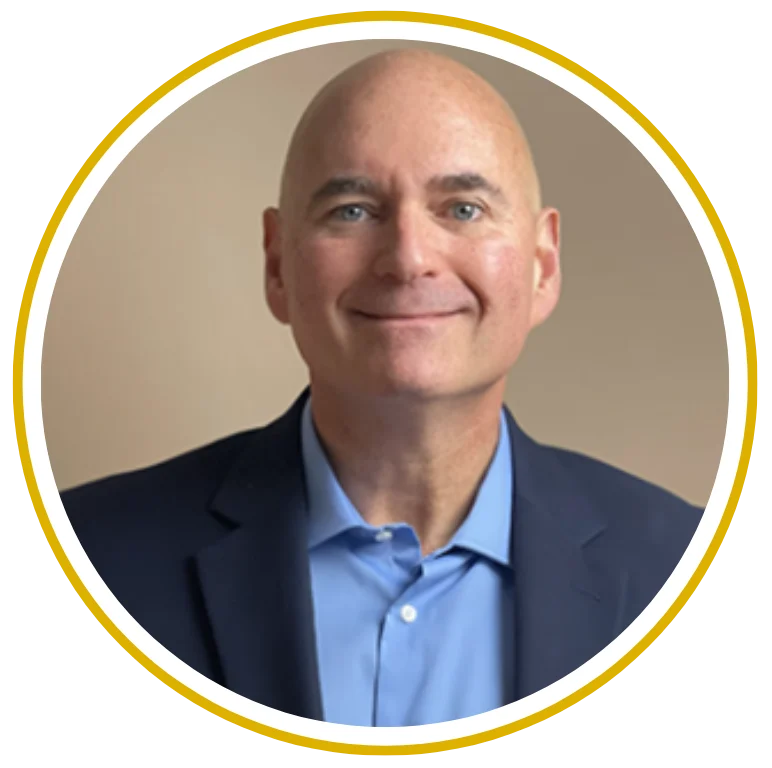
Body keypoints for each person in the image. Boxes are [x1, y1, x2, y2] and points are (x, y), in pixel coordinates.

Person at [60, 48, 703, 728]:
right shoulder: (91, 558)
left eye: (462, 208)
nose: (408, 258)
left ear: (543, 267)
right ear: (278, 265)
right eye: (353, 211)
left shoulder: (680, 567)